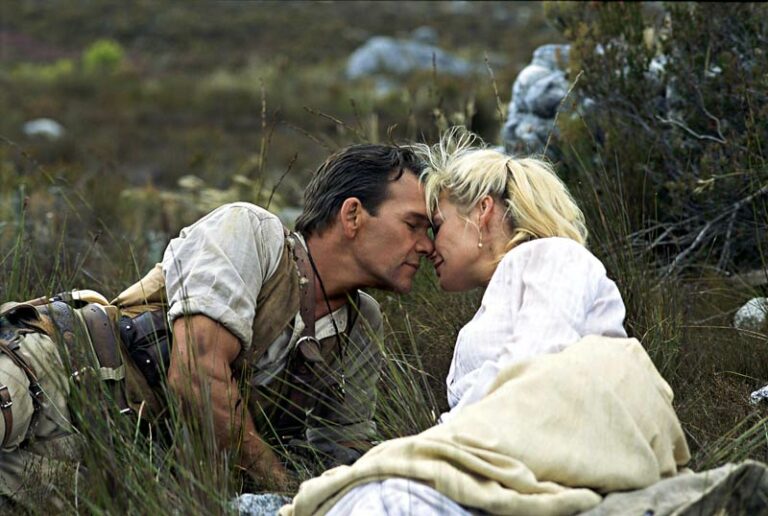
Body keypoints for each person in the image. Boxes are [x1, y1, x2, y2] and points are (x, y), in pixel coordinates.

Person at [279, 128, 690, 515]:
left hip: (557, 436)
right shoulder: (501, 295)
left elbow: (539, 362)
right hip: (514, 445)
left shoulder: (551, 256)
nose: (428, 247)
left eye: (437, 226)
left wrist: (438, 442)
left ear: (482, 210)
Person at [0, 143, 435, 505]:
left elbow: (345, 452)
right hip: (54, 370)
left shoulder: (361, 324)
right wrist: (285, 491)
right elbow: (196, 376)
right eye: (413, 225)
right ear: (353, 215)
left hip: (100, 456)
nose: (426, 246)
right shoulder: (251, 232)